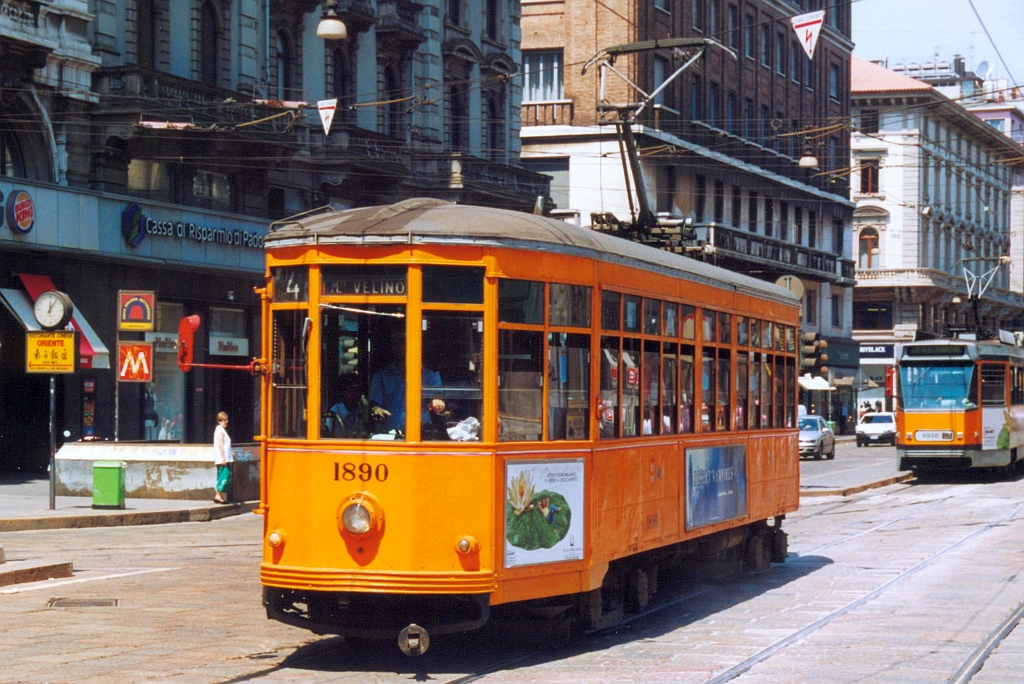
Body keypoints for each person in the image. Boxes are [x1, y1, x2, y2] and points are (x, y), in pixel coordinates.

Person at [369, 325, 443, 435]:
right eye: (394, 343)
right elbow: (373, 403)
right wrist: (376, 409)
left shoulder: (431, 376)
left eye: (402, 342)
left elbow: (437, 396)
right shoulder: (381, 376)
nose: (397, 347)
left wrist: (437, 402)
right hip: (388, 437)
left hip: (420, 434)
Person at [326, 373, 370, 438]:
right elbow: (337, 439)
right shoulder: (335, 413)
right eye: (353, 389)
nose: (357, 393)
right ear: (343, 391)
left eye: (359, 389)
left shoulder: (361, 408)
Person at [213, 411, 232, 504]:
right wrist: (223, 458)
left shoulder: (220, 430)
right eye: (224, 420)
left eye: (226, 420)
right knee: (223, 477)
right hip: (222, 459)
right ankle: (218, 495)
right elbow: (221, 444)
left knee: (221, 476)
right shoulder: (220, 431)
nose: (226, 422)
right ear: (219, 421)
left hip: (222, 458)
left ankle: (218, 496)